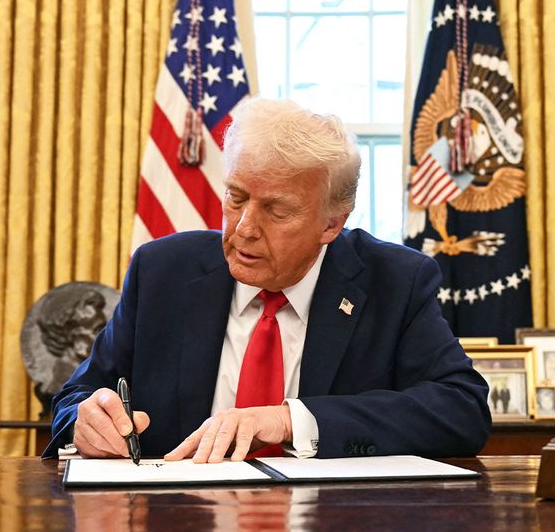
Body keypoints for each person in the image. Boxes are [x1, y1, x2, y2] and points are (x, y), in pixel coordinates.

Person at [44, 98, 490, 462]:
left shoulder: (395, 281)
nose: (243, 229)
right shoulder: (162, 272)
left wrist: (289, 421)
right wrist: (85, 419)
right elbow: (77, 396)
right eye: (235, 198)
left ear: (331, 225)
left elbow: (461, 410)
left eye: (277, 211)